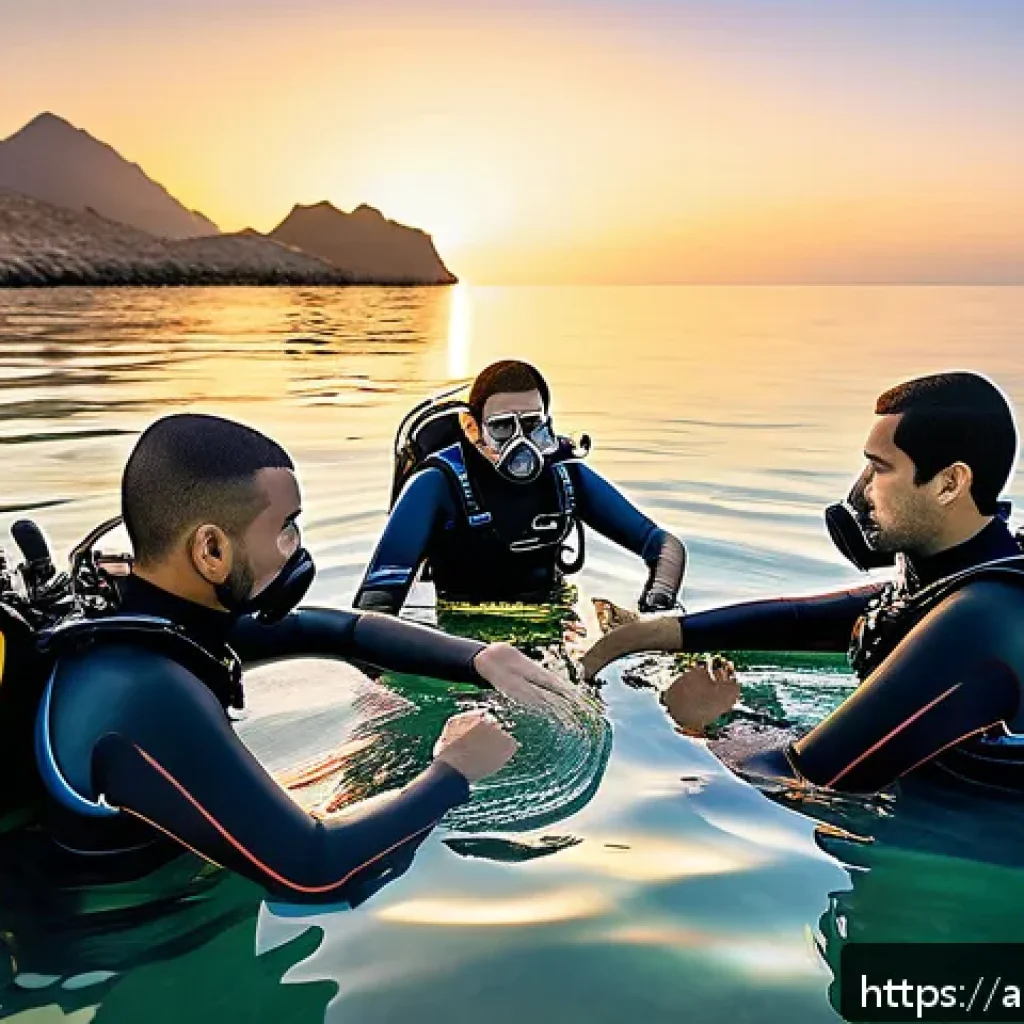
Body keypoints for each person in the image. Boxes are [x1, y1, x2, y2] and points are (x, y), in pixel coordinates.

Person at [33, 413, 576, 905]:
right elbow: (315, 873)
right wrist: (455, 769)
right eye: (286, 527)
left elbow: (339, 629)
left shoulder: (152, 613)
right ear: (211, 551)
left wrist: (481, 658)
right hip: (112, 930)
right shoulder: (146, 691)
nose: (298, 547)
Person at [583, 372, 1024, 795]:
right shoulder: (952, 581)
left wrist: (702, 722)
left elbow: (799, 780)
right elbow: (805, 619)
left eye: (880, 469)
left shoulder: (982, 617)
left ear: (950, 483)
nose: (860, 492)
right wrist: (646, 635)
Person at [354, 359, 686, 614]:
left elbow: (661, 544)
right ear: (472, 428)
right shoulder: (437, 483)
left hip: (552, 620)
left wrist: (656, 607)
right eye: (502, 428)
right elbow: (380, 591)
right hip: (461, 637)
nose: (520, 442)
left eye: (531, 425)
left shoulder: (567, 476)